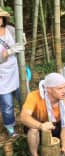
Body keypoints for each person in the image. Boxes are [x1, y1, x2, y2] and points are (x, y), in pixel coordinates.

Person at [20, 73, 65, 156]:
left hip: (55, 124)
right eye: (59, 88)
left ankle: (58, 151)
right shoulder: (34, 96)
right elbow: (23, 117)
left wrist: (64, 147)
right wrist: (40, 125)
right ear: (48, 89)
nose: (64, 91)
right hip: (38, 123)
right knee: (33, 130)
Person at [0, 7, 24, 136]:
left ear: (3, 18)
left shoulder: (11, 30)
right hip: (2, 75)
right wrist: (8, 52)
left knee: (22, 98)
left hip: (16, 70)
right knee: (7, 104)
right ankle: (10, 126)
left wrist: (22, 41)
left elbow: (20, 44)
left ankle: (26, 121)